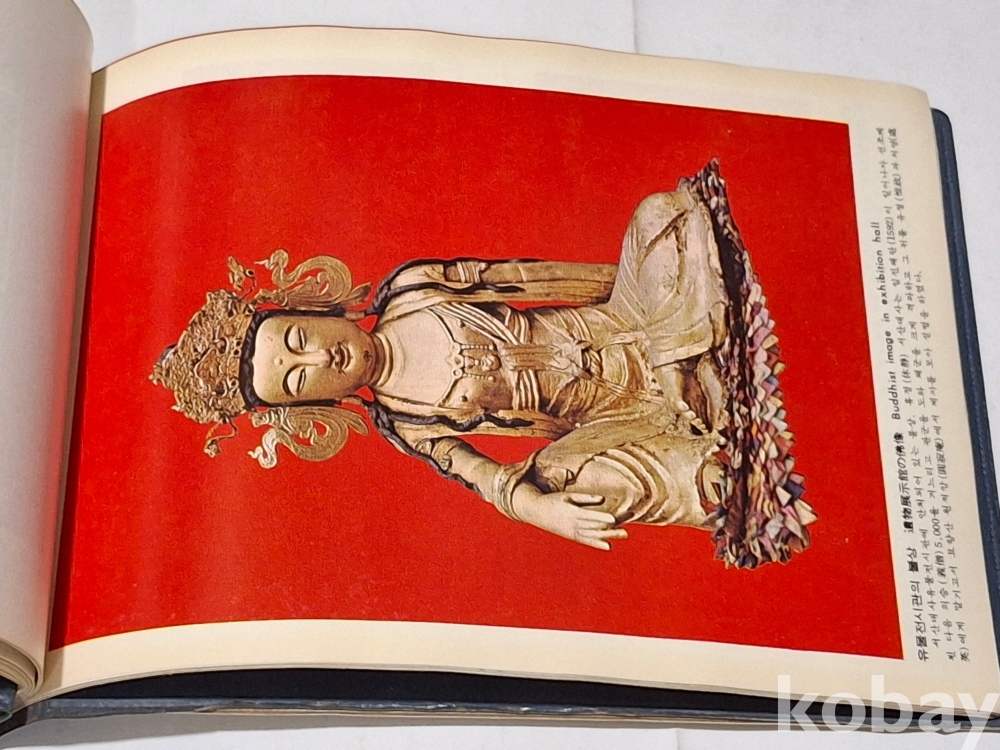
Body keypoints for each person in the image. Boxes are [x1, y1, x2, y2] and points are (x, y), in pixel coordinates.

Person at [151, 161, 815, 567]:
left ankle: (687, 358)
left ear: (311, 305)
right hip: (618, 417)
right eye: (299, 379)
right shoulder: (408, 423)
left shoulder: (412, 289)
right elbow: (488, 479)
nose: (321, 356)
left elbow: (530, 278)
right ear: (313, 406)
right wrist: (540, 512)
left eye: (299, 337)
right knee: (554, 479)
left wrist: (637, 284)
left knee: (659, 214)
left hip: (627, 325)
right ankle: (696, 465)